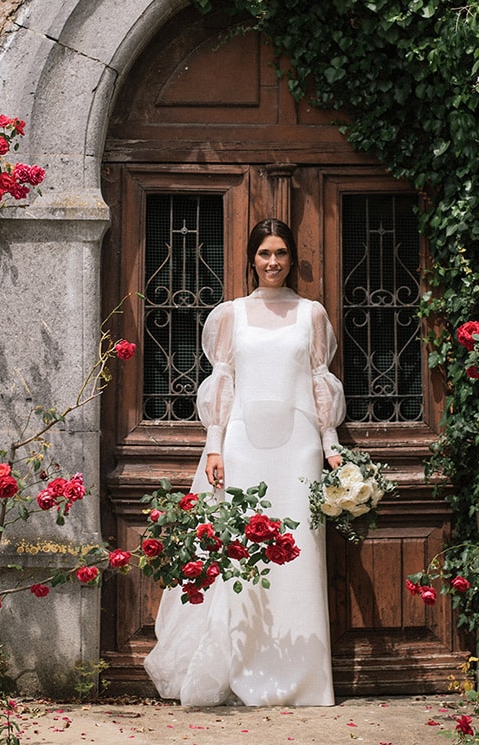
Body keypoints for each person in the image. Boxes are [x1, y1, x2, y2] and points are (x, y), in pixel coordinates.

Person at [144, 218, 346, 707]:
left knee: (300, 552)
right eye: (264, 254)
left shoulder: (311, 313)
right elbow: (225, 381)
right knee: (239, 550)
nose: (272, 262)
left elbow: (319, 379)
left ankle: (302, 678)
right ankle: (239, 664)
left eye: (280, 253)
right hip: (242, 447)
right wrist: (213, 443)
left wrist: (331, 444)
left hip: (299, 448)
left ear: (292, 257)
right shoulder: (230, 314)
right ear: (251, 259)